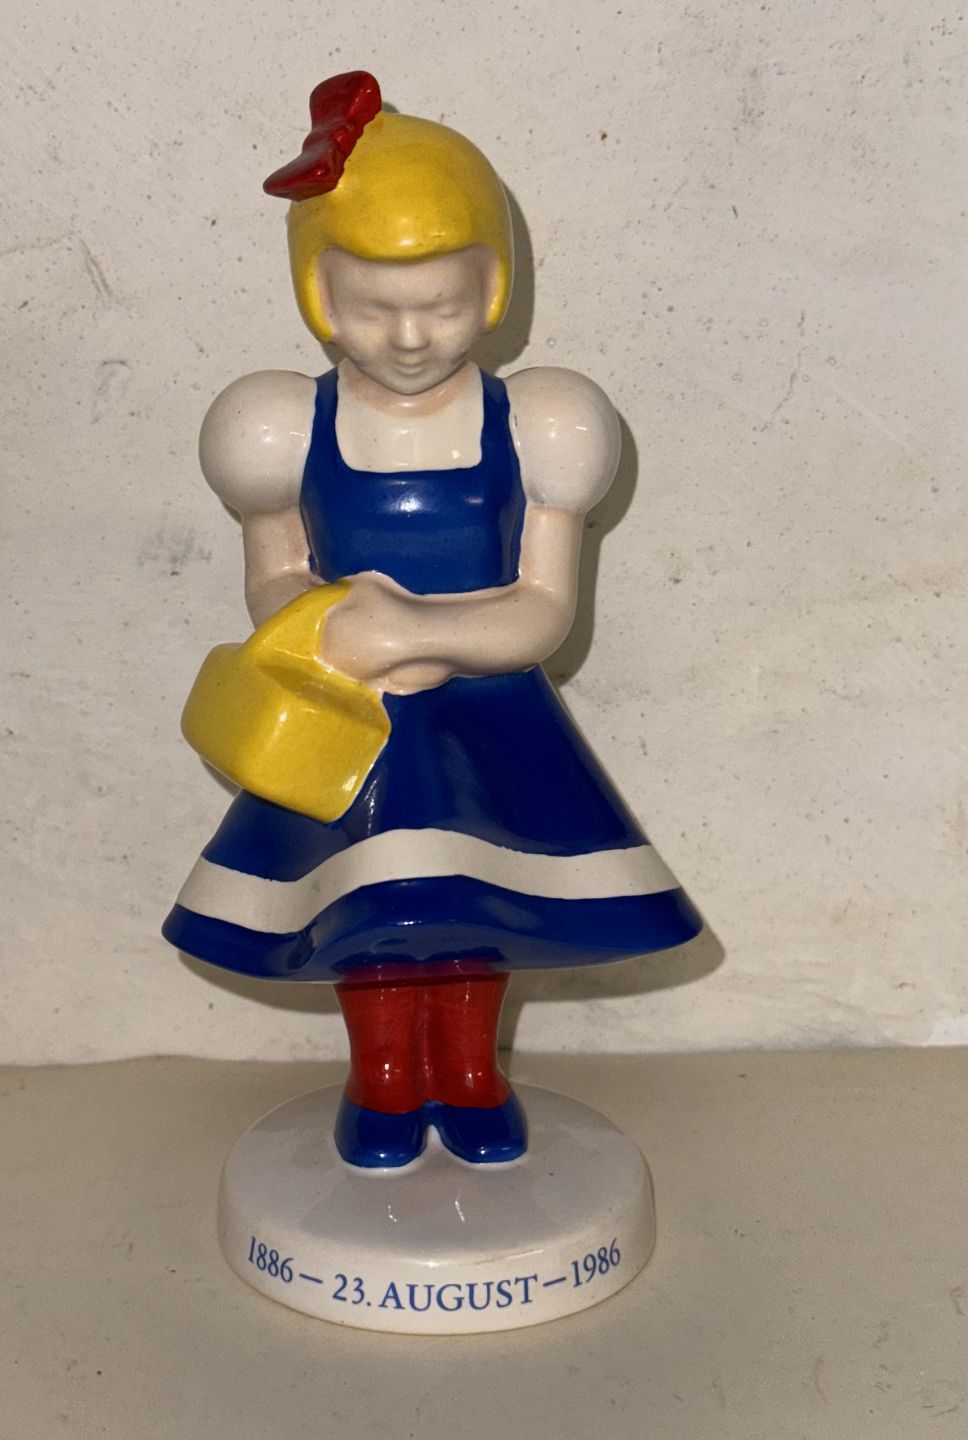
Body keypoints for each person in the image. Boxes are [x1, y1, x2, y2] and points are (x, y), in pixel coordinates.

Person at [163, 72, 701, 1169]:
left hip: (492, 722)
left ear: (494, 285)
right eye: (373, 308)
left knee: (473, 916)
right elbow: (275, 579)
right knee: (370, 924)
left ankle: (468, 1071)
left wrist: (417, 632)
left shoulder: (543, 422)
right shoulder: (278, 426)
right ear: (318, 295)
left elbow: (543, 612)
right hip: (354, 725)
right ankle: (383, 1078)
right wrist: (323, 628)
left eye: (442, 306)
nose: (410, 337)